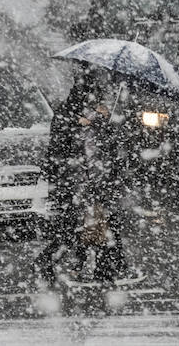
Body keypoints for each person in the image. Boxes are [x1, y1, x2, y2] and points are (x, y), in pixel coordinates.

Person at [36, 68, 132, 285]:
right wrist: (89, 123)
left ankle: (106, 268)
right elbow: (64, 147)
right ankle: (100, 268)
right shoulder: (71, 115)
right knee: (80, 229)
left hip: (90, 180)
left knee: (98, 226)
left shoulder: (85, 114)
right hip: (79, 182)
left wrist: (102, 121)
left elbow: (107, 145)